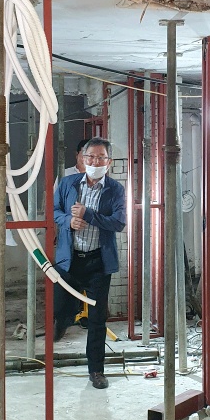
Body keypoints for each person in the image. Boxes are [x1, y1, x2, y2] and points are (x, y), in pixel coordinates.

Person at [53, 139, 126, 389]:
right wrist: (68, 221)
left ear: (109, 162)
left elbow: (118, 222)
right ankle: (64, 320)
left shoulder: (115, 190)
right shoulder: (68, 184)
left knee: (97, 320)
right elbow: (55, 211)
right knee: (60, 309)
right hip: (69, 260)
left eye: (101, 157)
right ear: (82, 159)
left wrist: (88, 215)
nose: (96, 162)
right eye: (91, 157)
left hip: (98, 262)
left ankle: (96, 371)